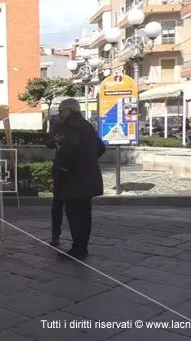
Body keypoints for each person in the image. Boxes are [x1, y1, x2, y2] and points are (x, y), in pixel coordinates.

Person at [54, 98, 106, 260]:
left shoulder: (72, 126)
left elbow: (71, 150)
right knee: (85, 215)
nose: (60, 114)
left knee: (75, 216)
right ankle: (82, 247)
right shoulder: (87, 125)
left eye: (61, 111)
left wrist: (64, 166)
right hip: (87, 178)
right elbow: (101, 147)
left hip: (74, 179)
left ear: (69, 111)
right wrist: (88, 160)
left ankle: (78, 250)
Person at [45, 114, 64, 247]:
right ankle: (55, 236)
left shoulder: (82, 127)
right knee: (57, 205)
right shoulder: (59, 126)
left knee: (75, 208)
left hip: (74, 172)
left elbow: (99, 148)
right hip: (60, 171)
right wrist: (54, 141)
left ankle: (79, 244)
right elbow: (49, 142)